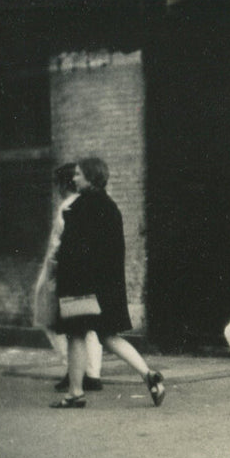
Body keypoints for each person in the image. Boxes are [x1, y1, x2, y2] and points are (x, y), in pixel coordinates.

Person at [50, 157, 165, 409]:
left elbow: (73, 252)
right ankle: (149, 375)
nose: (74, 178)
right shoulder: (110, 206)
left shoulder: (80, 208)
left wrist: (63, 280)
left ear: (90, 177)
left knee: (76, 335)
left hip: (81, 286)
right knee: (108, 336)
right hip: (107, 287)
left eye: (79, 174)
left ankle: (75, 393)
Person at [34, 163, 103, 391]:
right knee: (87, 324)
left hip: (64, 272)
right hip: (88, 271)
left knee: (53, 320)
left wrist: (52, 272)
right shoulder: (88, 203)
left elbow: (58, 244)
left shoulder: (67, 206)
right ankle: (92, 372)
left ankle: (74, 370)